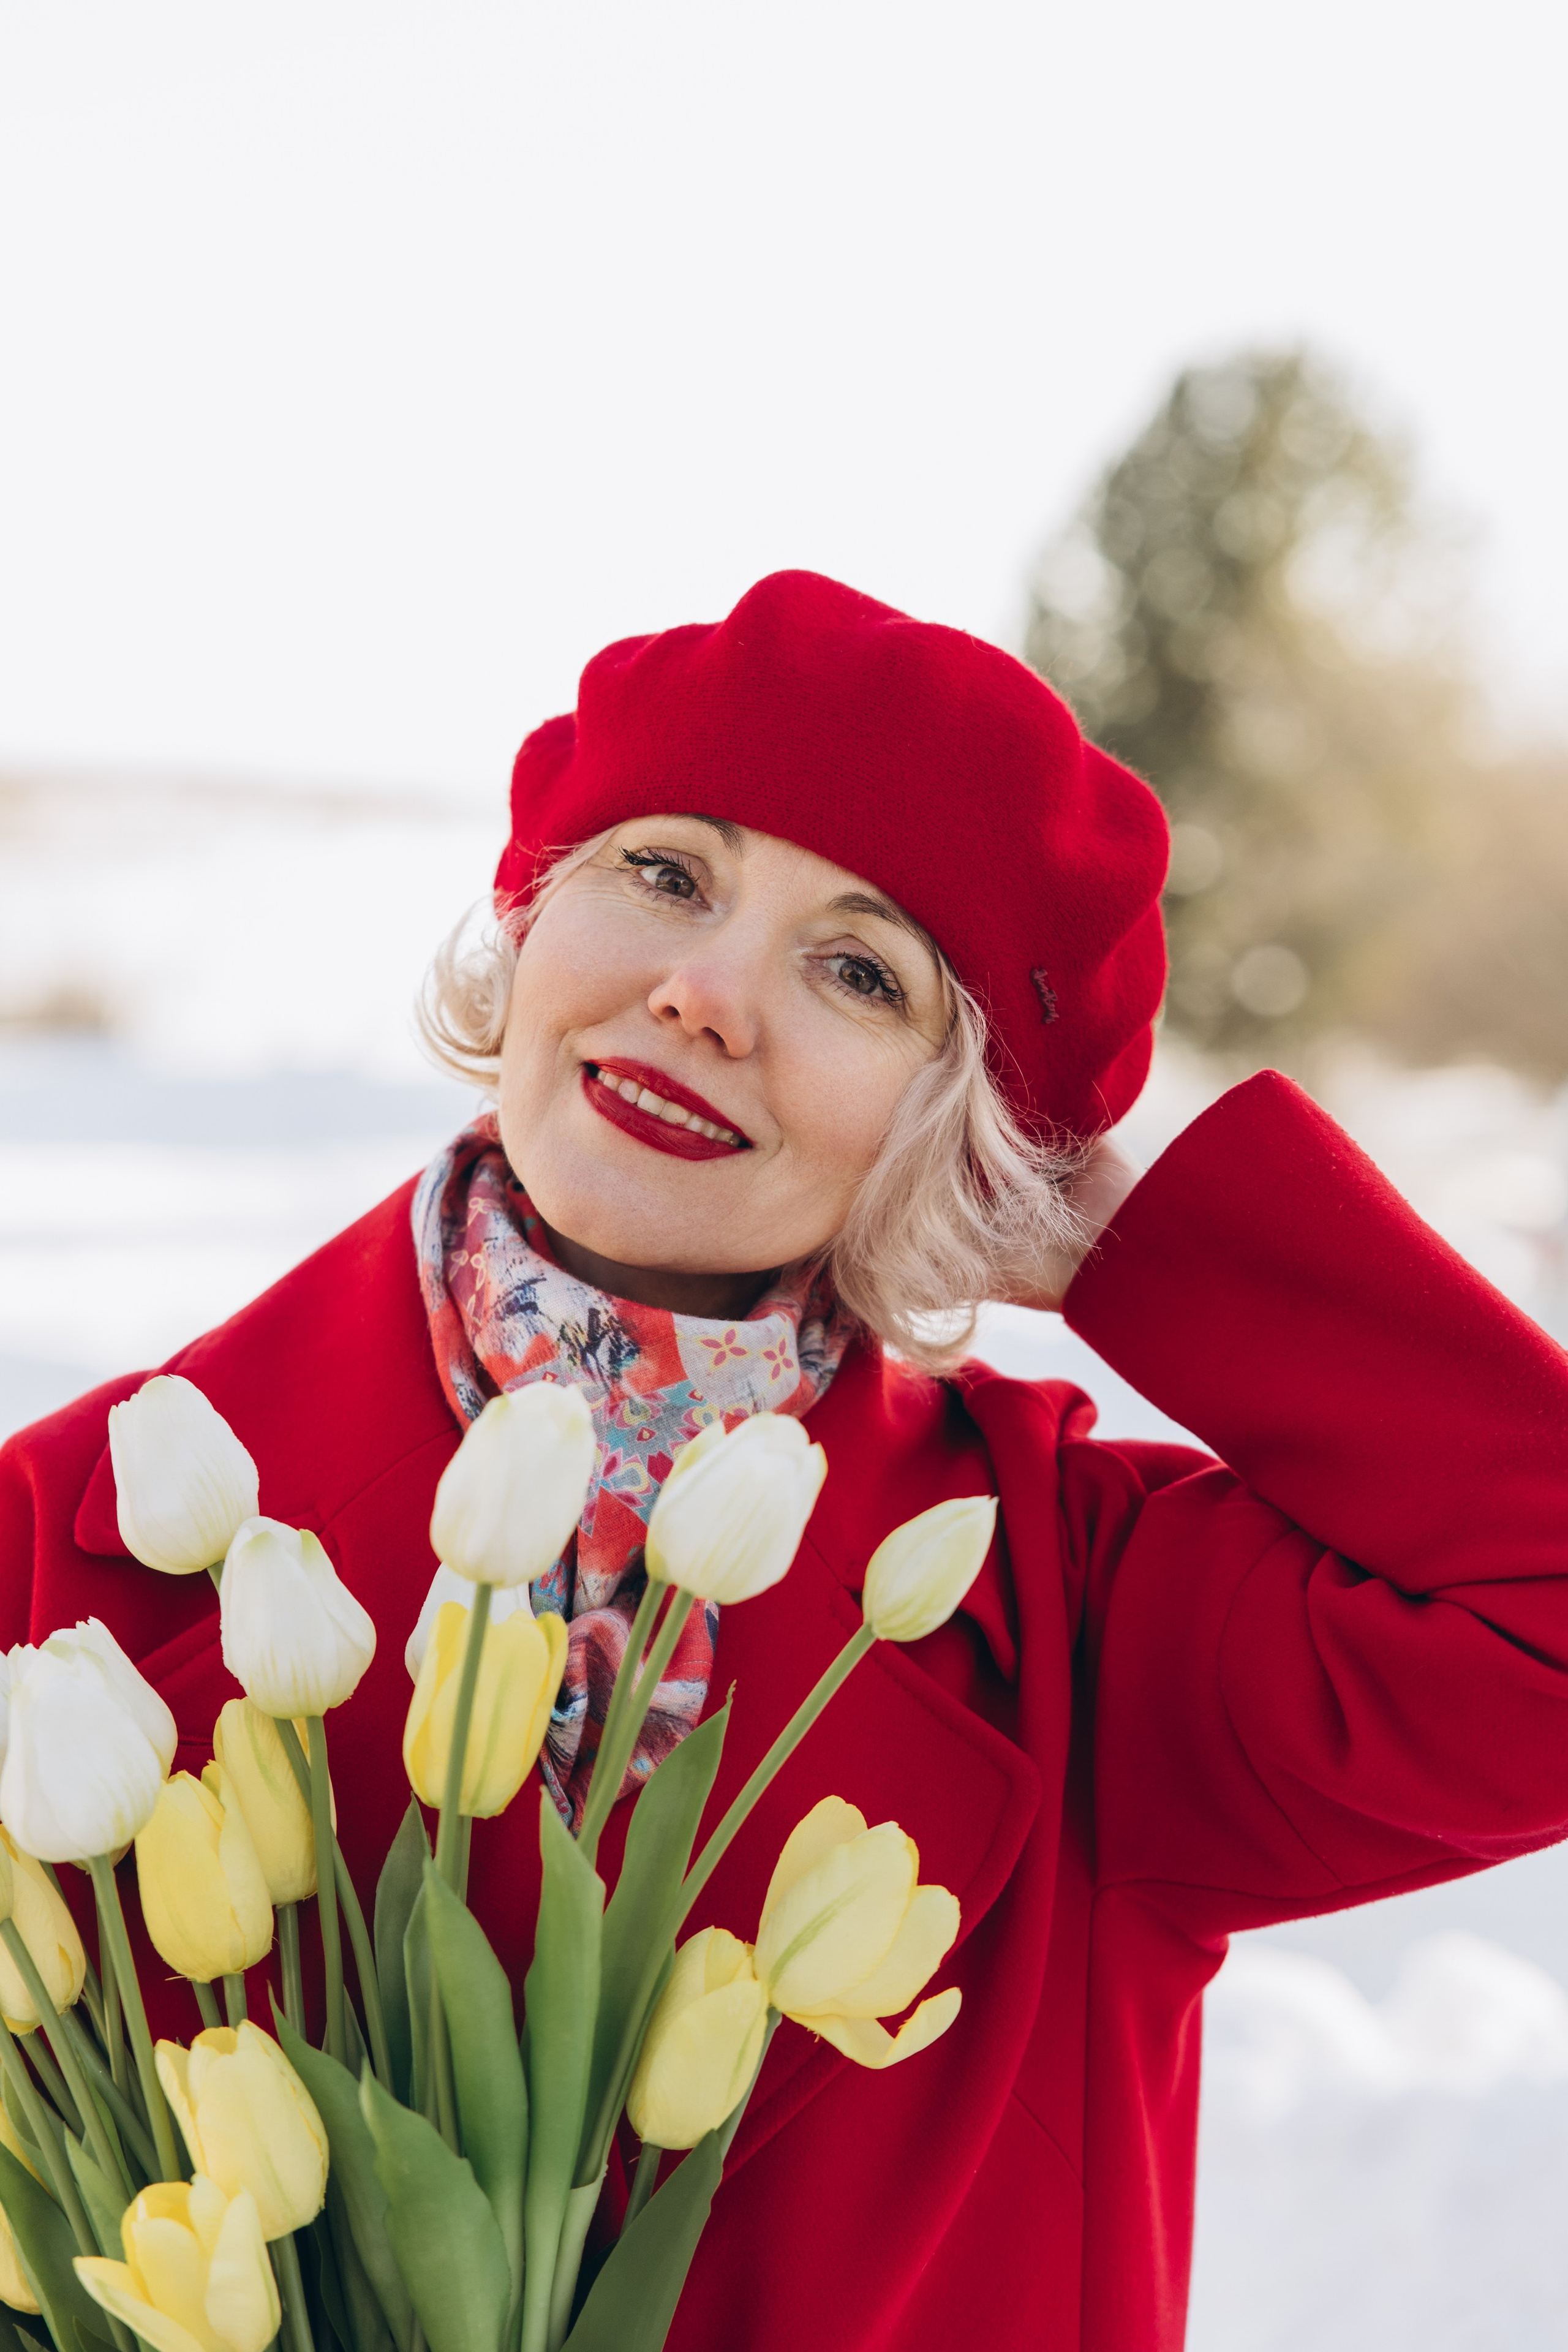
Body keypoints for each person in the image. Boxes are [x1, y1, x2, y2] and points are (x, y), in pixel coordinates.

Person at [4, 568, 1567, 2352]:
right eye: (664, 873)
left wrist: (1147, 1256)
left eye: (858, 971)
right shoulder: (67, 1541)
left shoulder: (1077, 1616)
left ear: (958, 1121)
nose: (704, 994)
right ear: (527, 914)